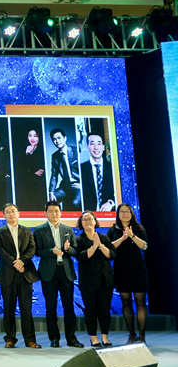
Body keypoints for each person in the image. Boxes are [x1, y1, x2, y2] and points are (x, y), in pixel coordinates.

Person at [34, 201, 83, 348]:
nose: (54, 214)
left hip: (66, 272)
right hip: (48, 273)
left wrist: (68, 249)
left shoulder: (68, 229)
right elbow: (37, 251)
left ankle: (71, 338)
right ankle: (54, 338)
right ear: (46, 213)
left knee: (69, 307)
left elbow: (75, 251)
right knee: (51, 307)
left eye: (56, 211)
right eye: (50, 211)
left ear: (60, 213)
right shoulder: (39, 230)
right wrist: (52, 252)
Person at [0, 203, 41, 349]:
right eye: (8, 212)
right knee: (8, 308)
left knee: (26, 308)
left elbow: (32, 249)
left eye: (13, 211)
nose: (11, 214)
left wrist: (22, 261)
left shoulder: (27, 231)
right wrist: (15, 263)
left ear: (18, 213)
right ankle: (10, 339)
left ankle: (30, 340)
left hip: (25, 273)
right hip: (7, 274)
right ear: (4, 215)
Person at [107, 203, 148, 344]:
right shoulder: (113, 230)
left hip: (137, 268)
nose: (125, 214)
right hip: (121, 269)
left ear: (131, 213)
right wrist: (123, 238)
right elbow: (109, 247)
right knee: (126, 302)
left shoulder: (139, 228)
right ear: (118, 214)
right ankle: (131, 334)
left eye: (128, 211)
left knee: (140, 302)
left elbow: (144, 246)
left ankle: (142, 336)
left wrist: (132, 235)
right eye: (122, 211)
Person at [75, 211, 116, 347]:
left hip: (105, 280)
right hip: (88, 282)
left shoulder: (103, 237)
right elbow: (81, 256)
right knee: (91, 310)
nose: (87, 222)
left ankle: (105, 337)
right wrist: (93, 247)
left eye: (90, 219)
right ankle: (93, 338)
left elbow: (112, 255)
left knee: (105, 309)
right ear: (81, 223)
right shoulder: (79, 239)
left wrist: (101, 246)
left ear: (95, 221)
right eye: (84, 220)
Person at [80, 132, 116, 212]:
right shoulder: (81, 169)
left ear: (103, 147)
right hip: (88, 215)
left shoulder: (112, 168)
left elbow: (121, 191)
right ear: (87, 147)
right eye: (92, 144)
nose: (96, 147)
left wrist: (111, 202)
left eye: (99, 144)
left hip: (109, 215)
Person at [48, 128, 82, 210]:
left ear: (65, 138)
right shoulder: (55, 156)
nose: (57, 141)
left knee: (74, 203)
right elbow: (54, 176)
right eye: (54, 139)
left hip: (78, 186)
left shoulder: (76, 151)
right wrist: (51, 192)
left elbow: (86, 170)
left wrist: (82, 185)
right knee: (50, 202)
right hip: (65, 187)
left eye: (59, 138)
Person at [16, 128, 47, 211]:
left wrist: (30, 171)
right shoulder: (24, 150)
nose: (32, 138)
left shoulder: (42, 150)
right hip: (26, 184)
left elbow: (41, 170)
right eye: (30, 136)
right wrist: (27, 153)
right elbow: (20, 167)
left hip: (38, 185)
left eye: (35, 136)